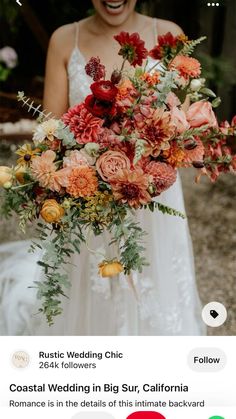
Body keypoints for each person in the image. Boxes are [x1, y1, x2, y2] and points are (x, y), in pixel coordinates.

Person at [0, 0, 206, 336]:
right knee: (91, 289)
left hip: (153, 199)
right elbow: (53, 135)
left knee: (155, 285)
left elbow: (181, 129)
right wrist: (88, 172)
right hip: (89, 198)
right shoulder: (65, 40)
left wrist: (154, 152)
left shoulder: (169, 35)